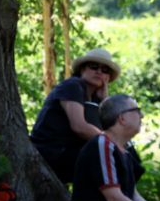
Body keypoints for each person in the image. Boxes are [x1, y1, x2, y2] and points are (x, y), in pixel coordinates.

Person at [30, 48, 120, 184]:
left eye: (105, 70)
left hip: (69, 153)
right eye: (94, 66)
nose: (99, 72)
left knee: (121, 160)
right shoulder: (72, 86)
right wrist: (115, 145)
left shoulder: (96, 97)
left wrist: (104, 101)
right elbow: (79, 127)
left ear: (107, 77)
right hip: (52, 154)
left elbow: (109, 129)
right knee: (113, 159)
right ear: (82, 69)